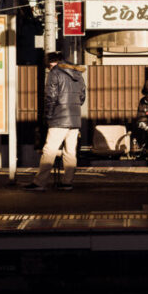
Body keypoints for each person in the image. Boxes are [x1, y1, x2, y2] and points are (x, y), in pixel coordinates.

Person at [25, 51, 85, 191]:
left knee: (49, 150)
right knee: (70, 151)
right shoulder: (77, 73)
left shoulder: (55, 73)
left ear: (52, 62)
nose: (48, 68)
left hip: (59, 118)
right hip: (75, 119)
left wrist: (49, 116)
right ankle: (67, 182)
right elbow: (82, 97)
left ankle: (39, 183)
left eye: (48, 65)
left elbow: (50, 98)